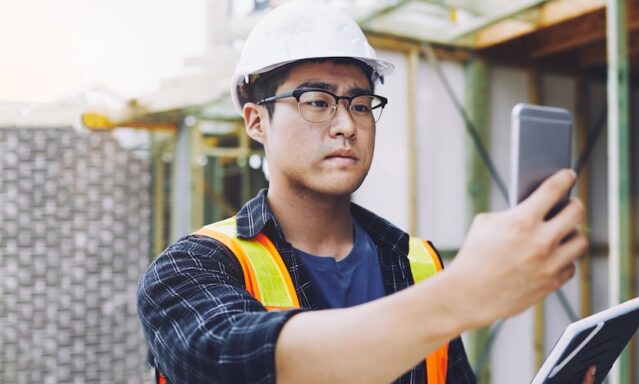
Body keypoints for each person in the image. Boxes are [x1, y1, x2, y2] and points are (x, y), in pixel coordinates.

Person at [137, 1, 594, 383]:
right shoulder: (189, 270)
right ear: (257, 122)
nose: (346, 125)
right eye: (317, 102)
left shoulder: (417, 262)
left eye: (360, 104)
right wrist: (463, 293)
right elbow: (244, 360)